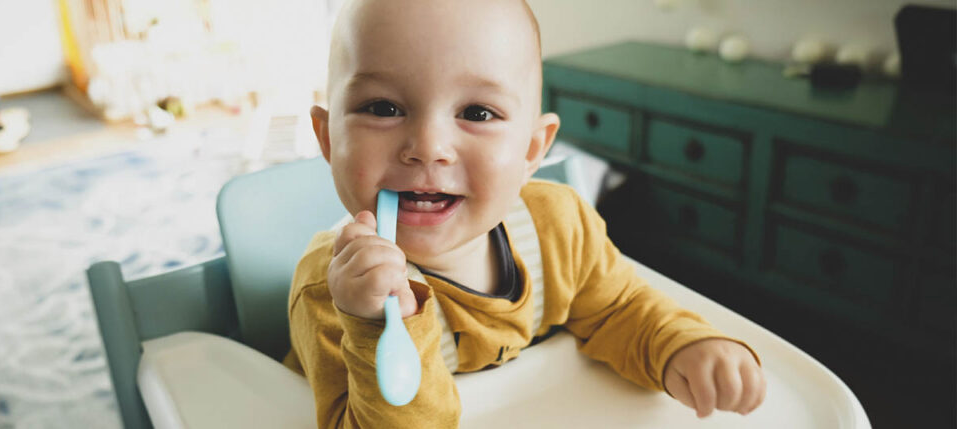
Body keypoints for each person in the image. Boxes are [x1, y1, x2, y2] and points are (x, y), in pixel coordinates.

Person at [281, 0, 766, 427]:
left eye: (477, 113)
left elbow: (619, 310)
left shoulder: (559, 227)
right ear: (327, 138)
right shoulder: (332, 292)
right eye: (383, 107)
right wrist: (374, 324)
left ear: (533, 149)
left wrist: (683, 346)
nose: (428, 148)